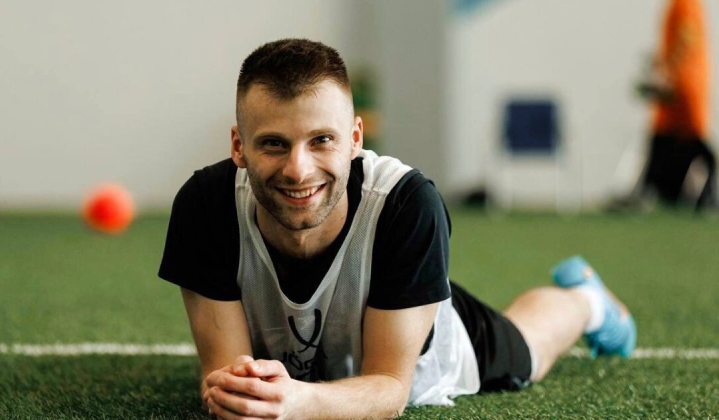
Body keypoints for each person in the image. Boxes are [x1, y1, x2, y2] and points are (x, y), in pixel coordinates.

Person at [158, 38, 637, 419]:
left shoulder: (406, 205)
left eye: (321, 140)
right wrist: (241, 397)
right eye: (274, 144)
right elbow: (224, 377)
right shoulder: (205, 206)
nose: (298, 170)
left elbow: (390, 389)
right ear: (238, 147)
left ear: (355, 139)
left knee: (529, 350)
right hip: (300, 371)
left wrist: (297, 402)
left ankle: (587, 302)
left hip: (417, 351)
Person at [635, 0, 715, 211]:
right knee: (668, 139)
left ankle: (703, 194)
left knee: (686, 140)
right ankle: (659, 189)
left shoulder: (685, 4)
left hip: (683, 89)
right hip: (682, 87)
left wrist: (667, 73)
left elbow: (686, 41)